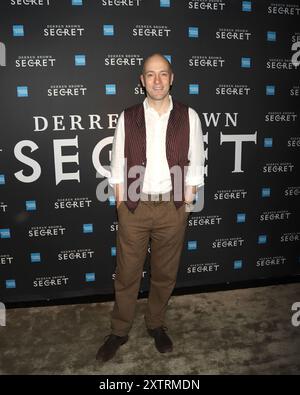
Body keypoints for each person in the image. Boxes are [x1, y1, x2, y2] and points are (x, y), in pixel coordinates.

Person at [96, 53, 205, 362]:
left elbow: (196, 163)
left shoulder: (190, 116)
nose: (157, 80)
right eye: (150, 74)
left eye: (163, 74)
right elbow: (118, 164)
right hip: (134, 206)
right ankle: (119, 331)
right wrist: (120, 202)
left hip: (172, 206)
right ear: (141, 80)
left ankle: (156, 324)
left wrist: (186, 202)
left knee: (164, 273)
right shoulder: (127, 116)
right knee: (127, 273)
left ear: (172, 78)